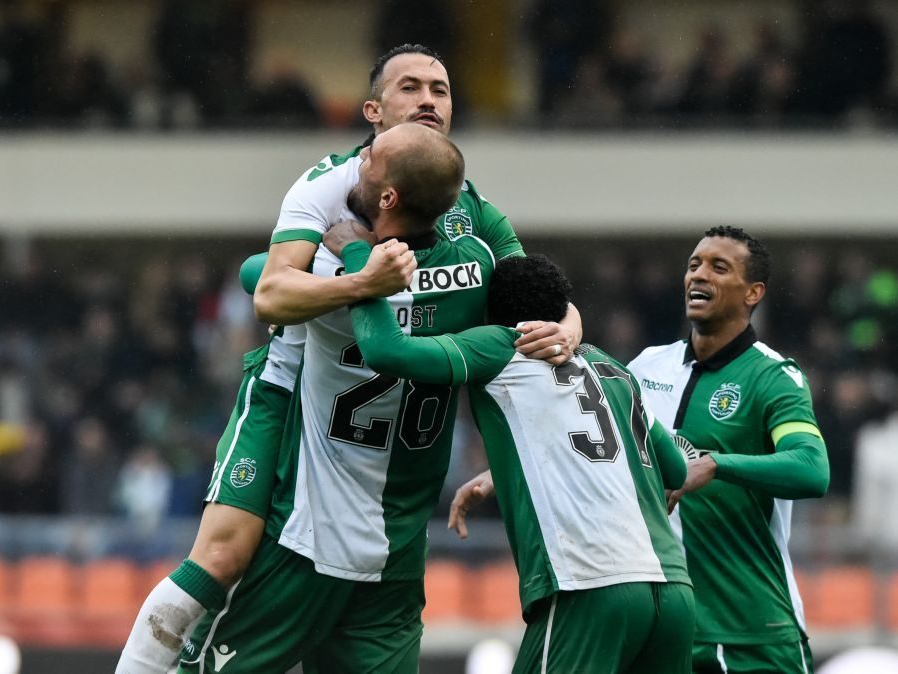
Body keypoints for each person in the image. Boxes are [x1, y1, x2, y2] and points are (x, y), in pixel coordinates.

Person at [118, 43, 581, 673]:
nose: (427, 100)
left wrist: (569, 326)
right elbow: (271, 290)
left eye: (440, 90)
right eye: (411, 87)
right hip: (290, 391)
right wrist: (360, 285)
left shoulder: (465, 209)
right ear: (373, 110)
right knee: (222, 556)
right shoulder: (329, 185)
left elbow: (539, 296)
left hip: (392, 463)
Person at [176, 122, 497, 672]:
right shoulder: (477, 268)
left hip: (309, 542)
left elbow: (258, 276)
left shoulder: (328, 271)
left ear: (388, 197)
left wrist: (352, 257)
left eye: (371, 160)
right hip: (397, 555)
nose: (360, 161)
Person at [332, 238, 694, 673]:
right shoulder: (611, 368)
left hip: (590, 584)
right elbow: (674, 469)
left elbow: (386, 350)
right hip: (673, 591)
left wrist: (359, 263)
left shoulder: (502, 345)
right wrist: (499, 473)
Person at [627, 226, 829, 674]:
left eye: (720, 268)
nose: (699, 276)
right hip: (666, 628)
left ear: (753, 292)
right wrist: (499, 478)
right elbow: (598, 444)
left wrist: (716, 464)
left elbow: (812, 470)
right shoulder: (645, 367)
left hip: (752, 633)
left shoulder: (775, 377)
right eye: (694, 264)